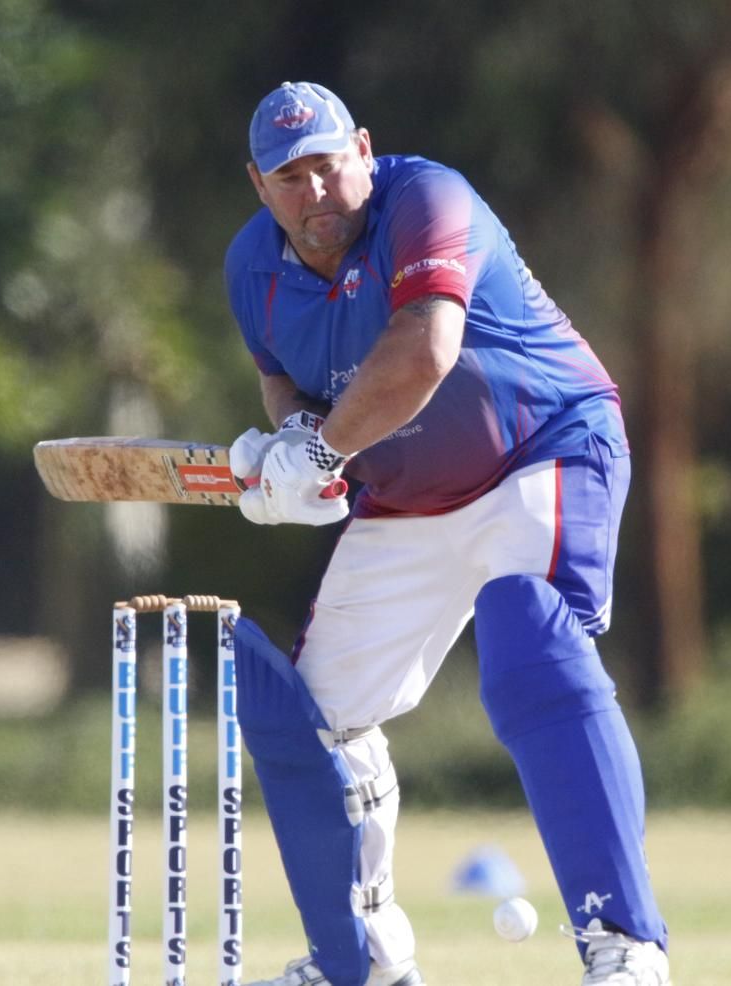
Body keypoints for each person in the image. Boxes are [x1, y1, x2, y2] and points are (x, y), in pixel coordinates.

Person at [223, 81, 671, 986]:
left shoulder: (427, 199)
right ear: (257, 184)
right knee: (314, 720)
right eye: (287, 177)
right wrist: (290, 451)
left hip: (540, 448)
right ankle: (363, 959)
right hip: (408, 493)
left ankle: (624, 947)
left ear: (362, 148)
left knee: (529, 637)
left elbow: (425, 349)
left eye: (325, 166)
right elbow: (286, 381)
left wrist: (318, 450)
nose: (312, 193)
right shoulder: (249, 266)